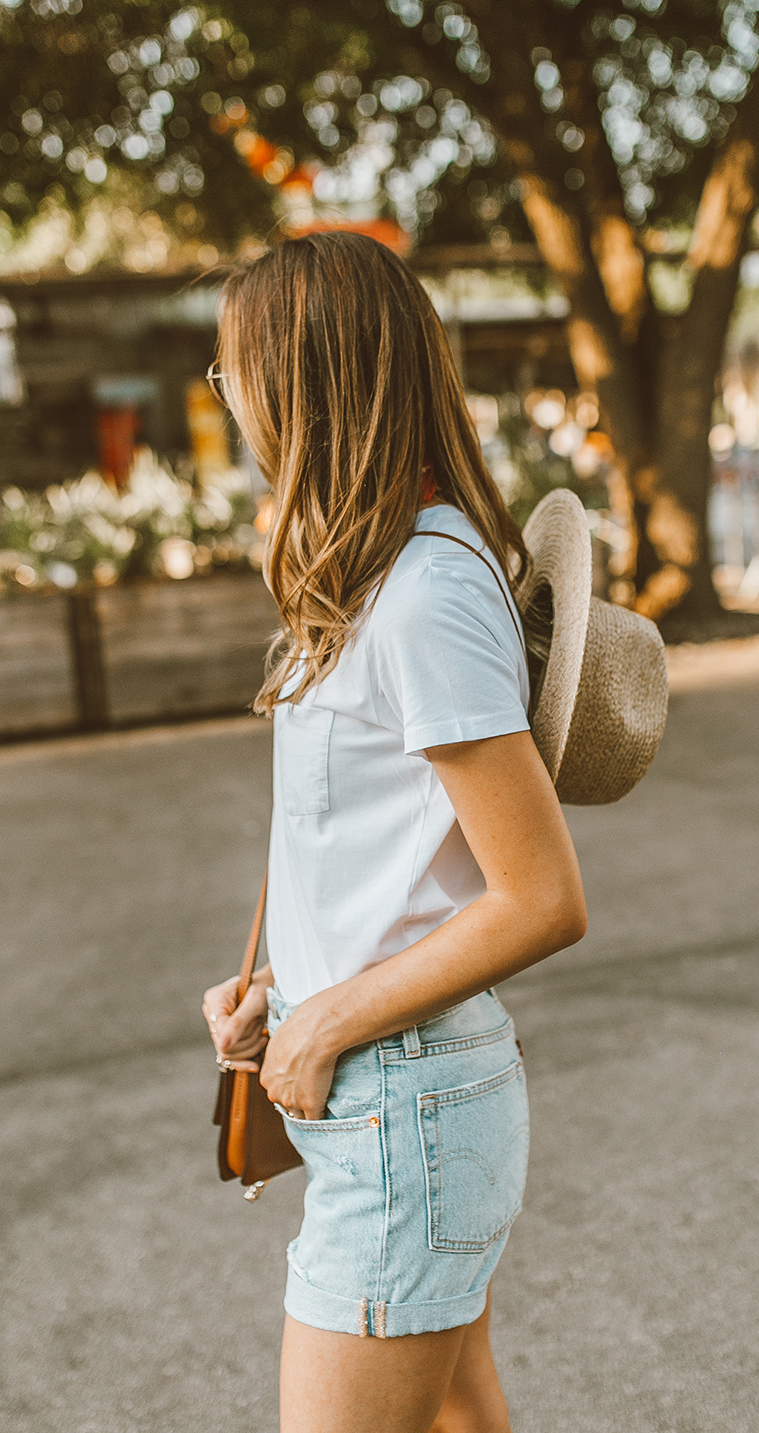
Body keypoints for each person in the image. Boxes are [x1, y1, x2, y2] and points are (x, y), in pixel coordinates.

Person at [202, 231, 587, 1433]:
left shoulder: (425, 593)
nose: (226, 403)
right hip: (388, 1097)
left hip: (402, 1108)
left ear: (305, 381)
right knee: (462, 1421)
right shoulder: (367, 576)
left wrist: (332, 1015)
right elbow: (371, 840)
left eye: (232, 375)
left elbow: (539, 898)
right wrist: (281, 984)